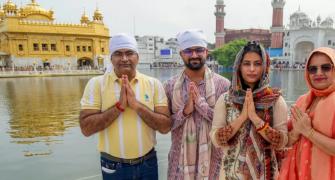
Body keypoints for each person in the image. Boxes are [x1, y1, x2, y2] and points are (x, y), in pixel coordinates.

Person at [79, 33, 171, 180]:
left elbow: (165, 127)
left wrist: (137, 106)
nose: (124, 59)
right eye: (118, 54)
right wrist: (119, 107)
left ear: (137, 57)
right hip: (113, 167)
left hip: (147, 164)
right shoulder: (97, 84)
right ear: (111, 58)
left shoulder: (153, 84)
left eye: (129, 53)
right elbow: (86, 129)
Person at [210, 41, 288, 179]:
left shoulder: (275, 101)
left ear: (264, 66)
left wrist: (255, 119)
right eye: (246, 64)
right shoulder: (226, 100)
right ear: (239, 66)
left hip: (266, 175)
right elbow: (216, 140)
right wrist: (242, 118)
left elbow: (282, 142)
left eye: (257, 64)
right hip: (231, 175)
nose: (252, 69)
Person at [164, 29, 230, 179]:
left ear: (206, 52)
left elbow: (227, 127)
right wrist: (185, 112)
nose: (194, 55)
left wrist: (202, 106)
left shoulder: (223, 85)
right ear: (181, 54)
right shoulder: (169, 86)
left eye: (199, 50)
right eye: (188, 51)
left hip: (213, 163)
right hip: (178, 164)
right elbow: (166, 126)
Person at [279, 47, 335, 180]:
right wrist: (296, 132)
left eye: (326, 67)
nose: (318, 73)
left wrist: (309, 132)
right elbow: (287, 141)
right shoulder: (303, 101)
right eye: (313, 69)